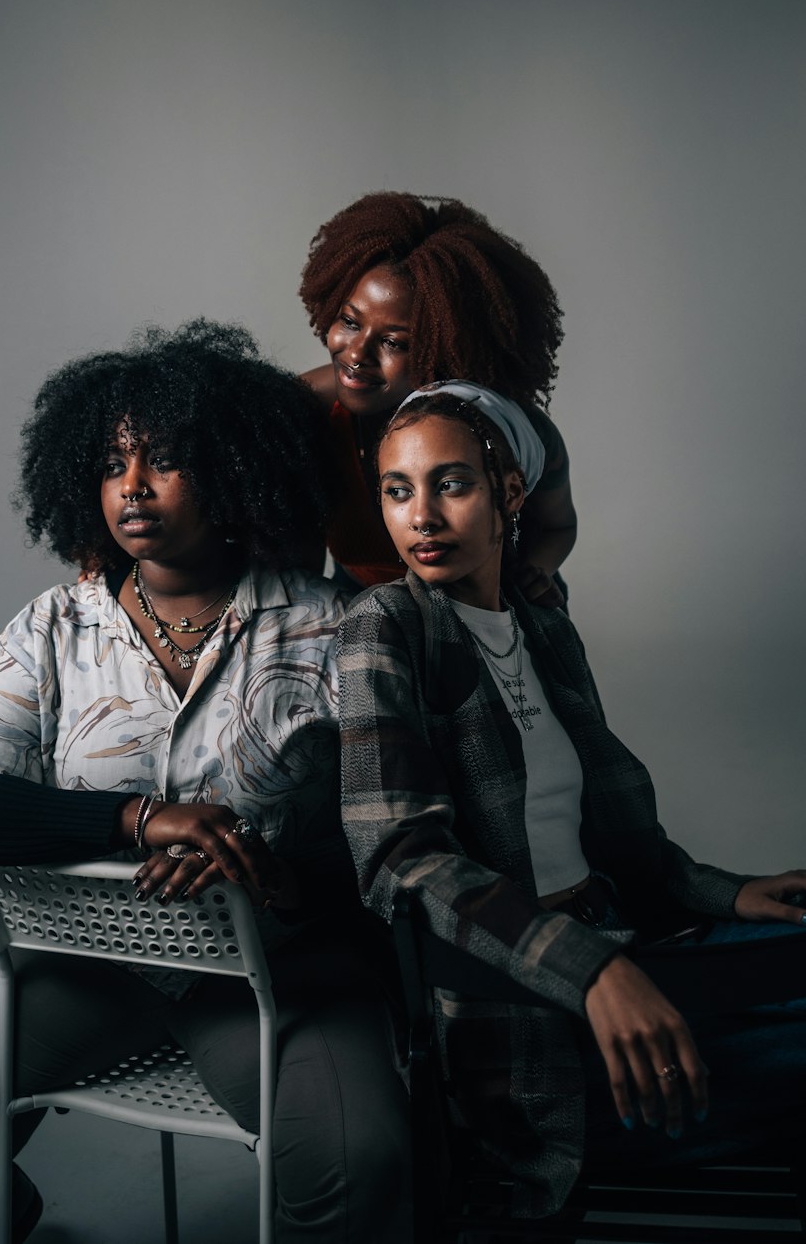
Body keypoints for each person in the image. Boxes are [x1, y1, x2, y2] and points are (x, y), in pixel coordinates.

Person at [0, 320, 409, 1244]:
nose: (131, 487)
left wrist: (276, 873)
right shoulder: (54, 627)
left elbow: (391, 845)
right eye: (111, 463)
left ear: (236, 469)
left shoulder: (333, 629)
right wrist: (141, 819)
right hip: (78, 966)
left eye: (165, 460)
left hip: (275, 975)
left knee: (358, 1166)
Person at [336, 382, 806, 1220]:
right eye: (397, 489)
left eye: (453, 482)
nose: (422, 516)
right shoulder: (386, 628)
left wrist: (729, 892)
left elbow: (613, 837)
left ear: (510, 494)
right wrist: (589, 970)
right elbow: (400, 864)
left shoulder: (542, 624)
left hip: (625, 937)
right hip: (519, 1016)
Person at [300, 190, 575, 604]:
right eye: (350, 321)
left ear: (447, 351)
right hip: (361, 615)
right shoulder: (301, 411)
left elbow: (557, 527)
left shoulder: (513, 434)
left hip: (496, 609)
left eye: (395, 342)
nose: (356, 354)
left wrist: (532, 574)